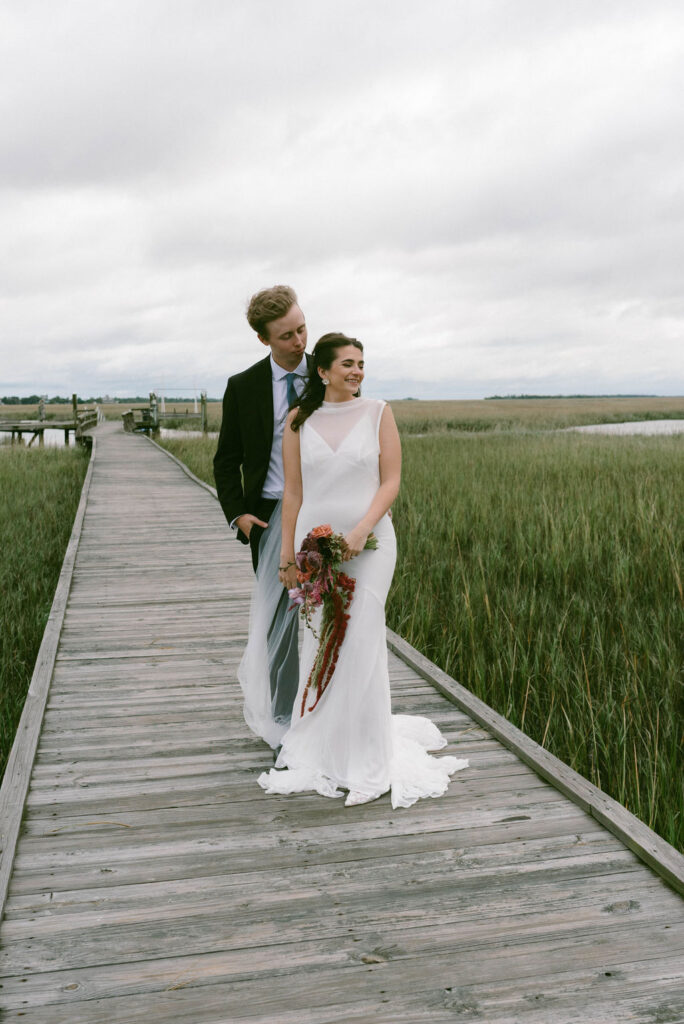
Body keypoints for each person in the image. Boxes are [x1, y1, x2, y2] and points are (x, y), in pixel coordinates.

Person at [257, 333, 469, 808]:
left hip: (371, 545)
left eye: (361, 364)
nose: (357, 371)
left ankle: (367, 755)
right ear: (323, 371)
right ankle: (322, 746)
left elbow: (390, 480)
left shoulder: (378, 412)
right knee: (317, 645)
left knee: (360, 639)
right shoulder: (297, 420)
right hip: (315, 548)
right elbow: (293, 493)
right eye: (347, 364)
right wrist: (288, 555)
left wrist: (360, 531)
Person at [213, 285, 312, 747]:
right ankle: (283, 723)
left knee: (328, 615)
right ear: (264, 340)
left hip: (325, 510)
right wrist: (239, 515)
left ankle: (326, 717)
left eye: (302, 328)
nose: (299, 341)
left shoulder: (330, 375)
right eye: (287, 335)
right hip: (270, 518)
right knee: (281, 621)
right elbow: (225, 458)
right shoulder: (243, 386)